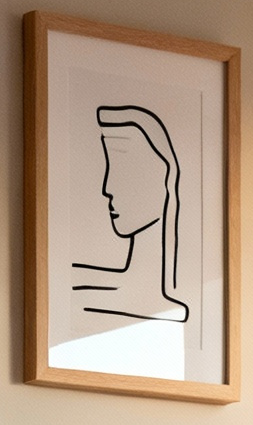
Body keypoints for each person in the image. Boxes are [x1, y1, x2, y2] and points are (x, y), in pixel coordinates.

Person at [71, 103, 186, 326]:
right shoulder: (74, 287)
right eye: (110, 166)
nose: (107, 187)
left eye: (123, 168)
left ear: (164, 178)